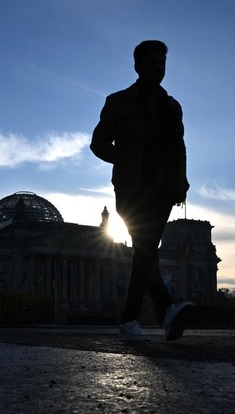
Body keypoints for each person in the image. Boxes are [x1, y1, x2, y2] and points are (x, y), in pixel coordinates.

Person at [91, 40, 194, 341]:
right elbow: (98, 143)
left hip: (164, 190)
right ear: (137, 66)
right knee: (146, 250)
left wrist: (182, 181)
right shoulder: (118, 102)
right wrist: (122, 158)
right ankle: (166, 310)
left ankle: (130, 320)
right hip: (131, 188)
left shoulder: (173, 106)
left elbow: (180, 148)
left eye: (162, 63)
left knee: (144, 253)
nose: (158, 68)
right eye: (151, 62)